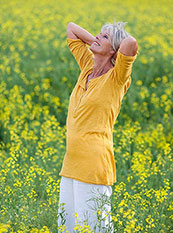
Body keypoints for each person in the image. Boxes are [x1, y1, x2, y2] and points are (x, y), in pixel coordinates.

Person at [57, 21, 138, 233]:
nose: (96, 37)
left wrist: (114, 42)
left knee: (95, 227)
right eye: (97, 34)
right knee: (68, 226)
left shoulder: (117, 77)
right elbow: (71, 28)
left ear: (114, 49)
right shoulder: (87, 66)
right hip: (71, 163)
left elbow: (131, 42)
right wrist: (98, 41)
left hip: (94, 164)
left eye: (104, 37)